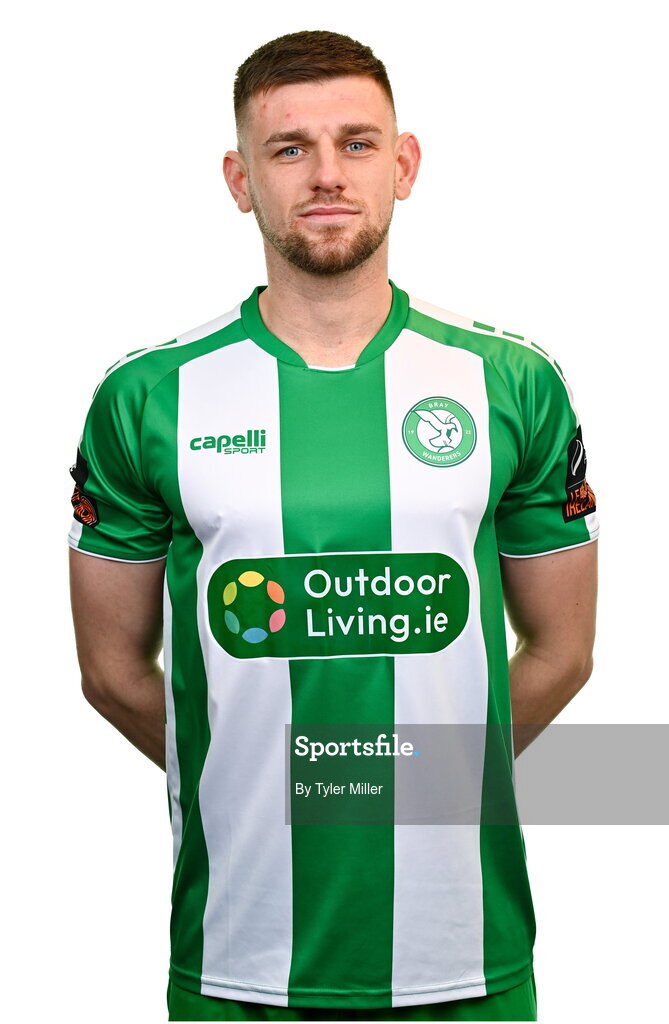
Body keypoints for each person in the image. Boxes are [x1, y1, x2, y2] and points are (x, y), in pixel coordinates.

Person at [68, 29, 598, 1023]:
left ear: (404, 165)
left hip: (467, 959)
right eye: (287, 149)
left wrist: (390, 779)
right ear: (239, 179)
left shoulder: (512, 382)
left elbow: (563, 652)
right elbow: (112, 672)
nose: (325, 175)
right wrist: (257, 770)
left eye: (357, 144)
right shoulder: (146, 397)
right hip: (238, 960)